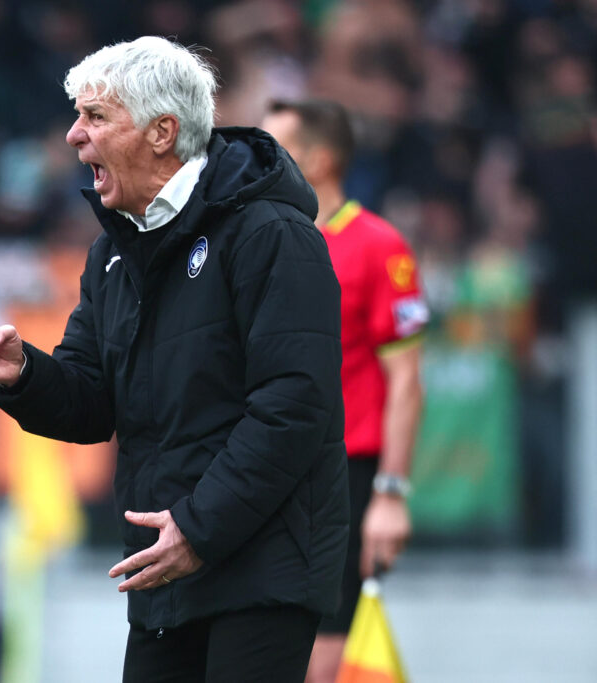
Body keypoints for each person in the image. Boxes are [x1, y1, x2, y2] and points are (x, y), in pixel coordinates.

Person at [0, 37, 348, 683]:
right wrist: (23, 376)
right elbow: (92, 403)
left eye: (95, 116)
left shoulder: (272, 234)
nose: (74, 136)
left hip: (260, 569)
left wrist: (198, 528)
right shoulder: (113, 253)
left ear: (162, 132)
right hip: (167, 568)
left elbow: (293, 406)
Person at [261, 100, 428, 683]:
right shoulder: (261, 241)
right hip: (264, 471)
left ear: (321, 159)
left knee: (322, 654)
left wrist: (391, 494)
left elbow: (407, 379)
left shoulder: (380, 246)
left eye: (275, 147)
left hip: (342, 477)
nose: (258, 160)